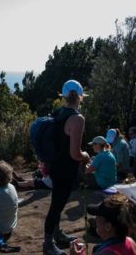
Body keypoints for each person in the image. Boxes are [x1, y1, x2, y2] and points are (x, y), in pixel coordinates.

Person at [43, 80, 90, 255]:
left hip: (54, 166)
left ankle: (56, 234)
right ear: (80, 96)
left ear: (63, 96)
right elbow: (75, 154)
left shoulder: (57, 114)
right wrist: (85, 156)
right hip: (65, 170)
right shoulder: (77, 119)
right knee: (56, 205)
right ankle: (48, 244)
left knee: (57, 202)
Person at [70, 194, 136, 255]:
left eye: (98, 216)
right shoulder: (131, 242)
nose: (95, 219)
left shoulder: (107, 253)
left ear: (108, 226)